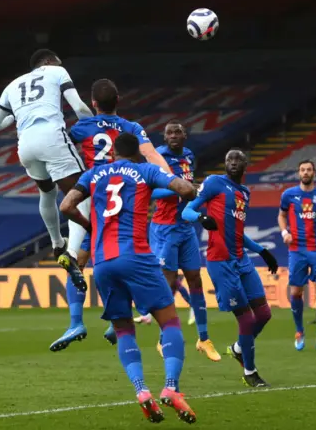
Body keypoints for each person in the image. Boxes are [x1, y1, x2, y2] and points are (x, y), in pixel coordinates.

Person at [59, 133, 197, 423]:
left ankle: (141, 390)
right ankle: (171, 388)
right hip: (136, 256)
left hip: (104, 262)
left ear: (113, 154)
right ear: (138, 153)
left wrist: (92, 227)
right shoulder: (145, 169)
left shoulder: (93, 173)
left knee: (123, 330)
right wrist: (191, 189)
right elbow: (185, 190)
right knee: (170, 321)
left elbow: (66, 206)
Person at [49, 79, 170, 352]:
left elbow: (61, 148)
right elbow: (151, 155)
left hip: (93, 193)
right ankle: (116, 318)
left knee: (78, 260)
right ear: (119, 100)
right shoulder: (131, 127)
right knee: (121, 253)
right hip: (126, 193)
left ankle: (76, 322)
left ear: (92, 103)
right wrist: (170, 179)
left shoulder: (82, 127)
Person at [0, 49, 93, 292]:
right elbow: (78, 106)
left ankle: (57, 243)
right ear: (47, 61)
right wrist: (97, 124)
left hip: (25, 146)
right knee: (80, 197)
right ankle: (72, 254)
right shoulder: (56, 71)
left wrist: (11, 119)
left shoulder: (12, 85)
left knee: (47, 193)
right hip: (52, 137)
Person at [182, 149, 278, 388]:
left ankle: (238, 348)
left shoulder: (244, 193)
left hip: (242, 259)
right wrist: (201, 218)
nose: (233, 163)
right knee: (246, 320)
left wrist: (263, 251)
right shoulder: (214, 183)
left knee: (264, 314)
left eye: (238, 160)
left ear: (245, 165)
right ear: (225, 164)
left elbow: (238, 232)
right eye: (229, 160)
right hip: (220, 261)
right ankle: (250, 372)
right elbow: (187, 210)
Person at [144, 120, 220, 362]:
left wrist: (192, 192)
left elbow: (191, 188)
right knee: (167, 282)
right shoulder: (157, 158)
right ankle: (162, 337)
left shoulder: (188, 156)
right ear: (164, 137)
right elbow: (150, 191)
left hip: (186, 228)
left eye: (178, 132)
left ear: (185, 135)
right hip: (164, 228)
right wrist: (182, 189)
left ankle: (204, 338)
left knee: (195, 279)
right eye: (169, 133)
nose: (174, 136)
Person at [277, 160, 316, 352]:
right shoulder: (289, 195)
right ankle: (299, 330)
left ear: (314, 173)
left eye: (309, 170)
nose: (305, 172)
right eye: (302, 170)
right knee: (296, 292)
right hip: (296, 249)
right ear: (298, 173)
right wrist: (285, 233)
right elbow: (281, 215)